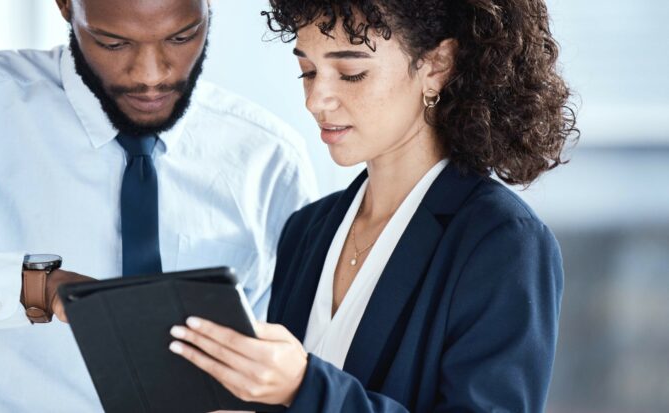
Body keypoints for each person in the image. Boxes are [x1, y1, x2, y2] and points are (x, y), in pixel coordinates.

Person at [0, 0, 317, 411]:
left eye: (182, 37)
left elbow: (292, 357)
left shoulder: (268, 160)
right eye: (114, 43)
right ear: (65, 7)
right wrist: (34, 287)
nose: (151, 75)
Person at [169, 0, 578, 411]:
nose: (316, 100)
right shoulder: (307, 230)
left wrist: (305, 387)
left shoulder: (502, 241)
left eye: (351, 73)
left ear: (436, 66)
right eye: (308, 71)